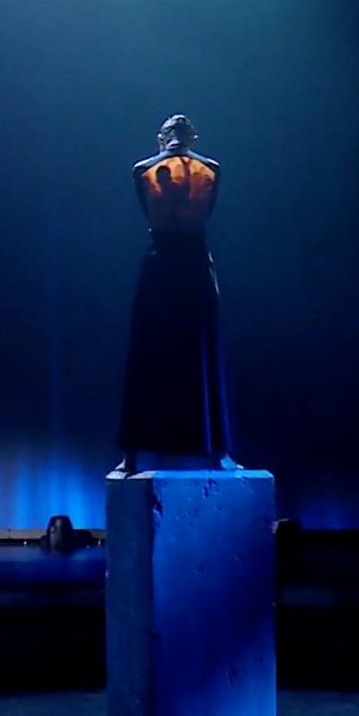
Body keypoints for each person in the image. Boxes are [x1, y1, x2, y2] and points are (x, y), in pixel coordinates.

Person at [117, 115, 235, 475]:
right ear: (193, 138)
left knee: (157, 354)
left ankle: (137, 454)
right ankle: (208, 451)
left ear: (161, 138)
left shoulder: (146, 170)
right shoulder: (205, 168)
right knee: (186, 352)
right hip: (187, 262)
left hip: (167, 262)